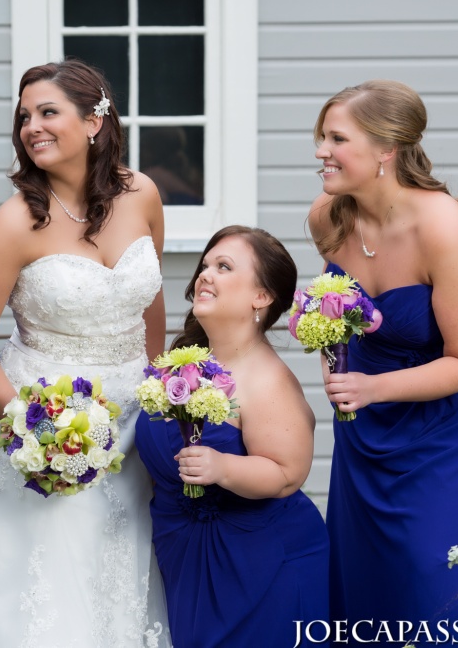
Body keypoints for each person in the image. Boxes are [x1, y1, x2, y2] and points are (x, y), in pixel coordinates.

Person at [0, 59, 171, 647]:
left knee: (122, 569)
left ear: (95, 122)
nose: (32, 127)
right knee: (53, 574)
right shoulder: (15, 221)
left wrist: (156, 390)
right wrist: (27, 429)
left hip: (132, 421)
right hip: (48, 420)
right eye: (25, 116)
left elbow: (149, 301)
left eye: (48, 112)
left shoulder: (142, 193)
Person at [308, 79, 458, 640]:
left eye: (336, 138)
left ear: (386, 149)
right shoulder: (328, 219)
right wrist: (334, 362)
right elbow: (341, 317)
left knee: (431, 573)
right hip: (368, 419)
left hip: (456, 421)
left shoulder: (444, 226)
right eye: (320, 137)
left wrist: (373, 388)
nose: (320, 152)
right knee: (365, 570)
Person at [134, 225, 330, 647]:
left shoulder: (268, 381)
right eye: (206, 265)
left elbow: (286, 474)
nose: (205, 274)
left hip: (257, 566)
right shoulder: (185, 363)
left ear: (261, 297)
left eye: (224, 267)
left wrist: (223, 466)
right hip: (182, 552)